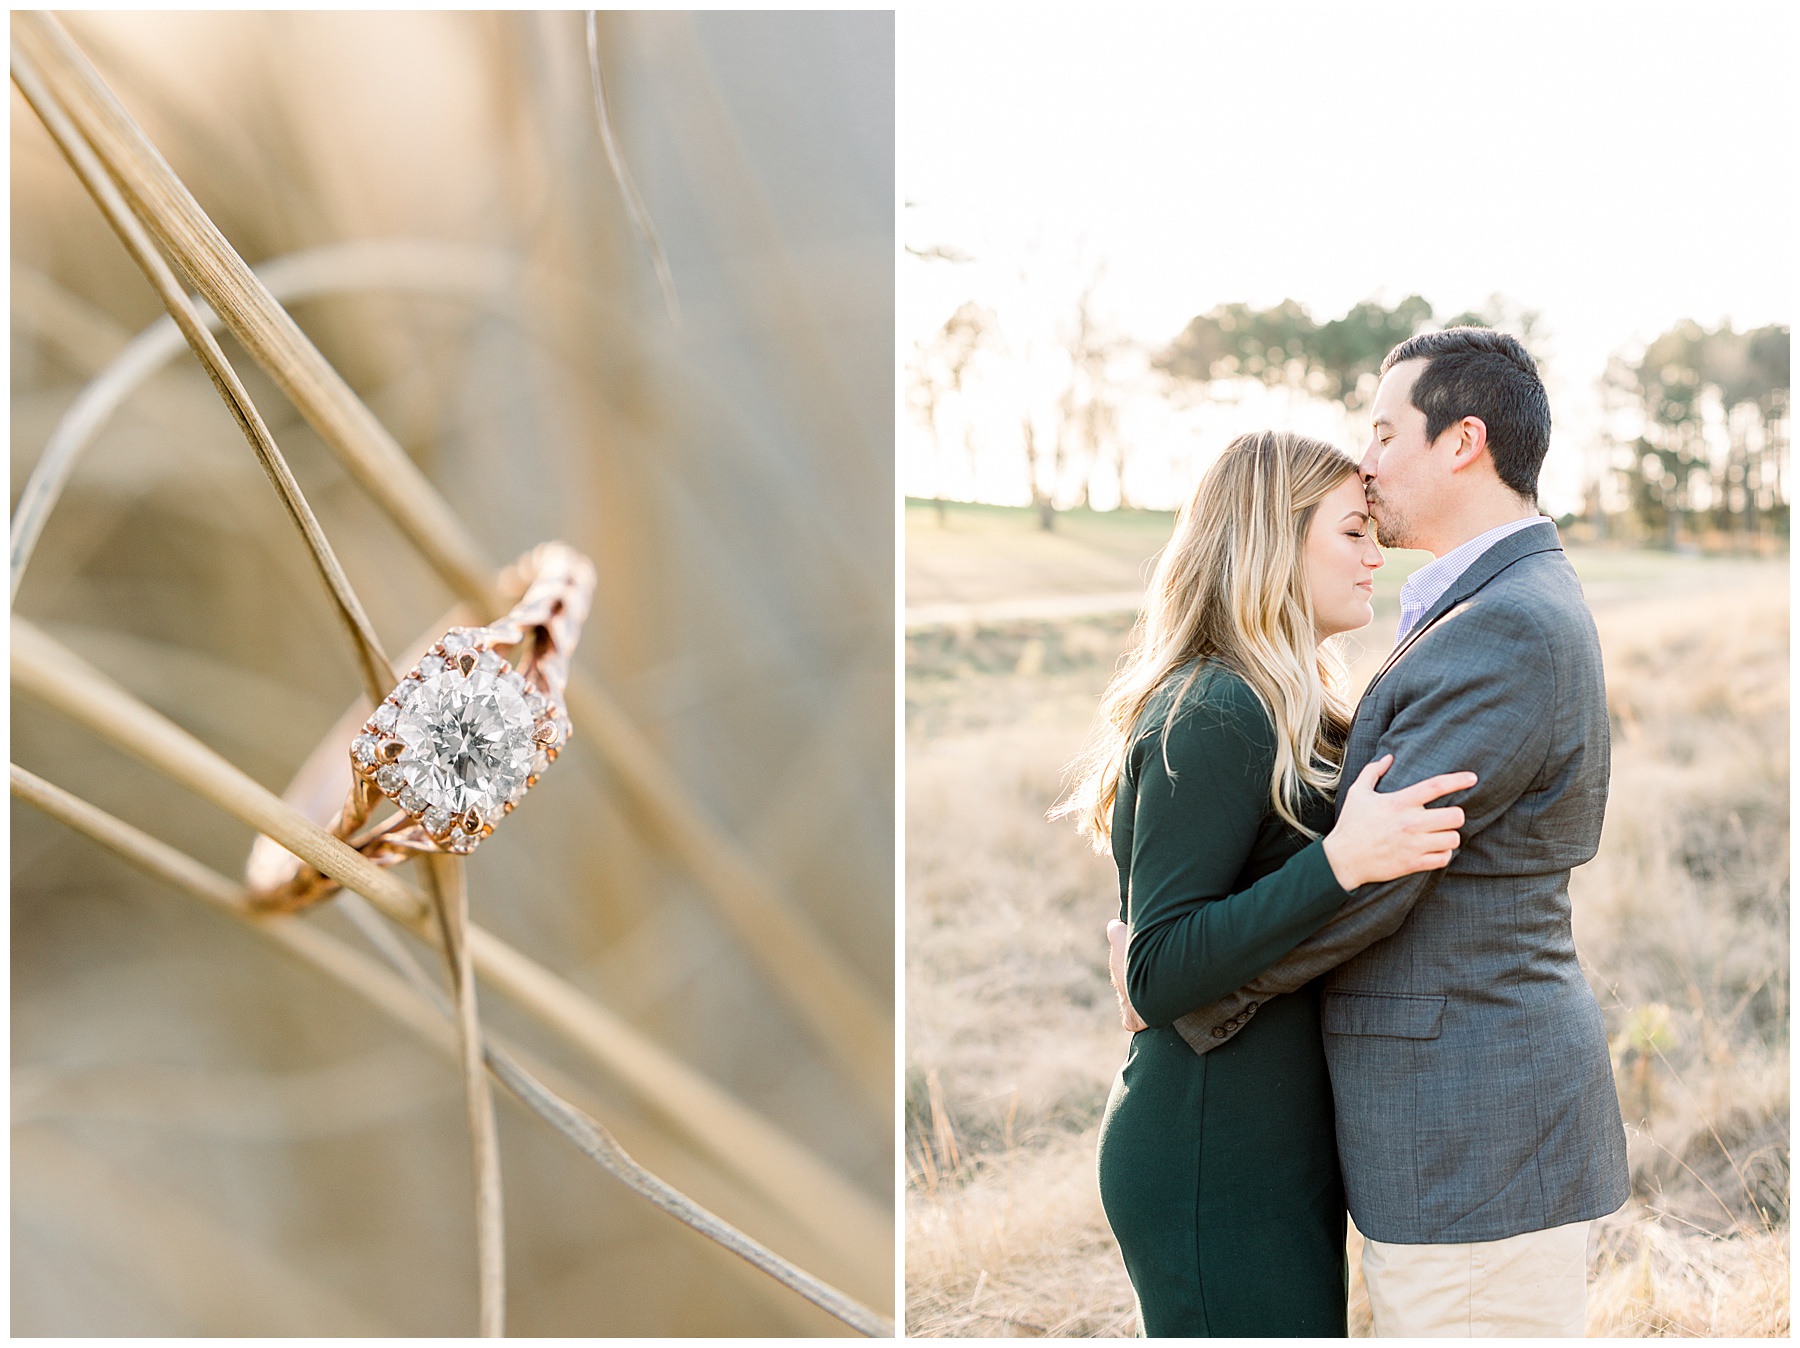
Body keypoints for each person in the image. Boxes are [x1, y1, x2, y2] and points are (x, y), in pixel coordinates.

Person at [1170, 328, 1630, 1336]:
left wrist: (1194, 987)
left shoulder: (1506, 626)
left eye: (1384, 432)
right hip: (1456, 1128)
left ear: (1463, 442)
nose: (1366, 461)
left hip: (1474, 1128)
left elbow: (1379, 874)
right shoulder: (1484, 606)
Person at [1056, 429, 1477, 1336]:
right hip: (1213, 1154)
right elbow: (1157, 970)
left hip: (1277, 1151)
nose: (1377, 556)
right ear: (1273, 543)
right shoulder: (1213, 709)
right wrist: (1340, 863)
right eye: (1354, 533)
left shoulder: (1290, 707)